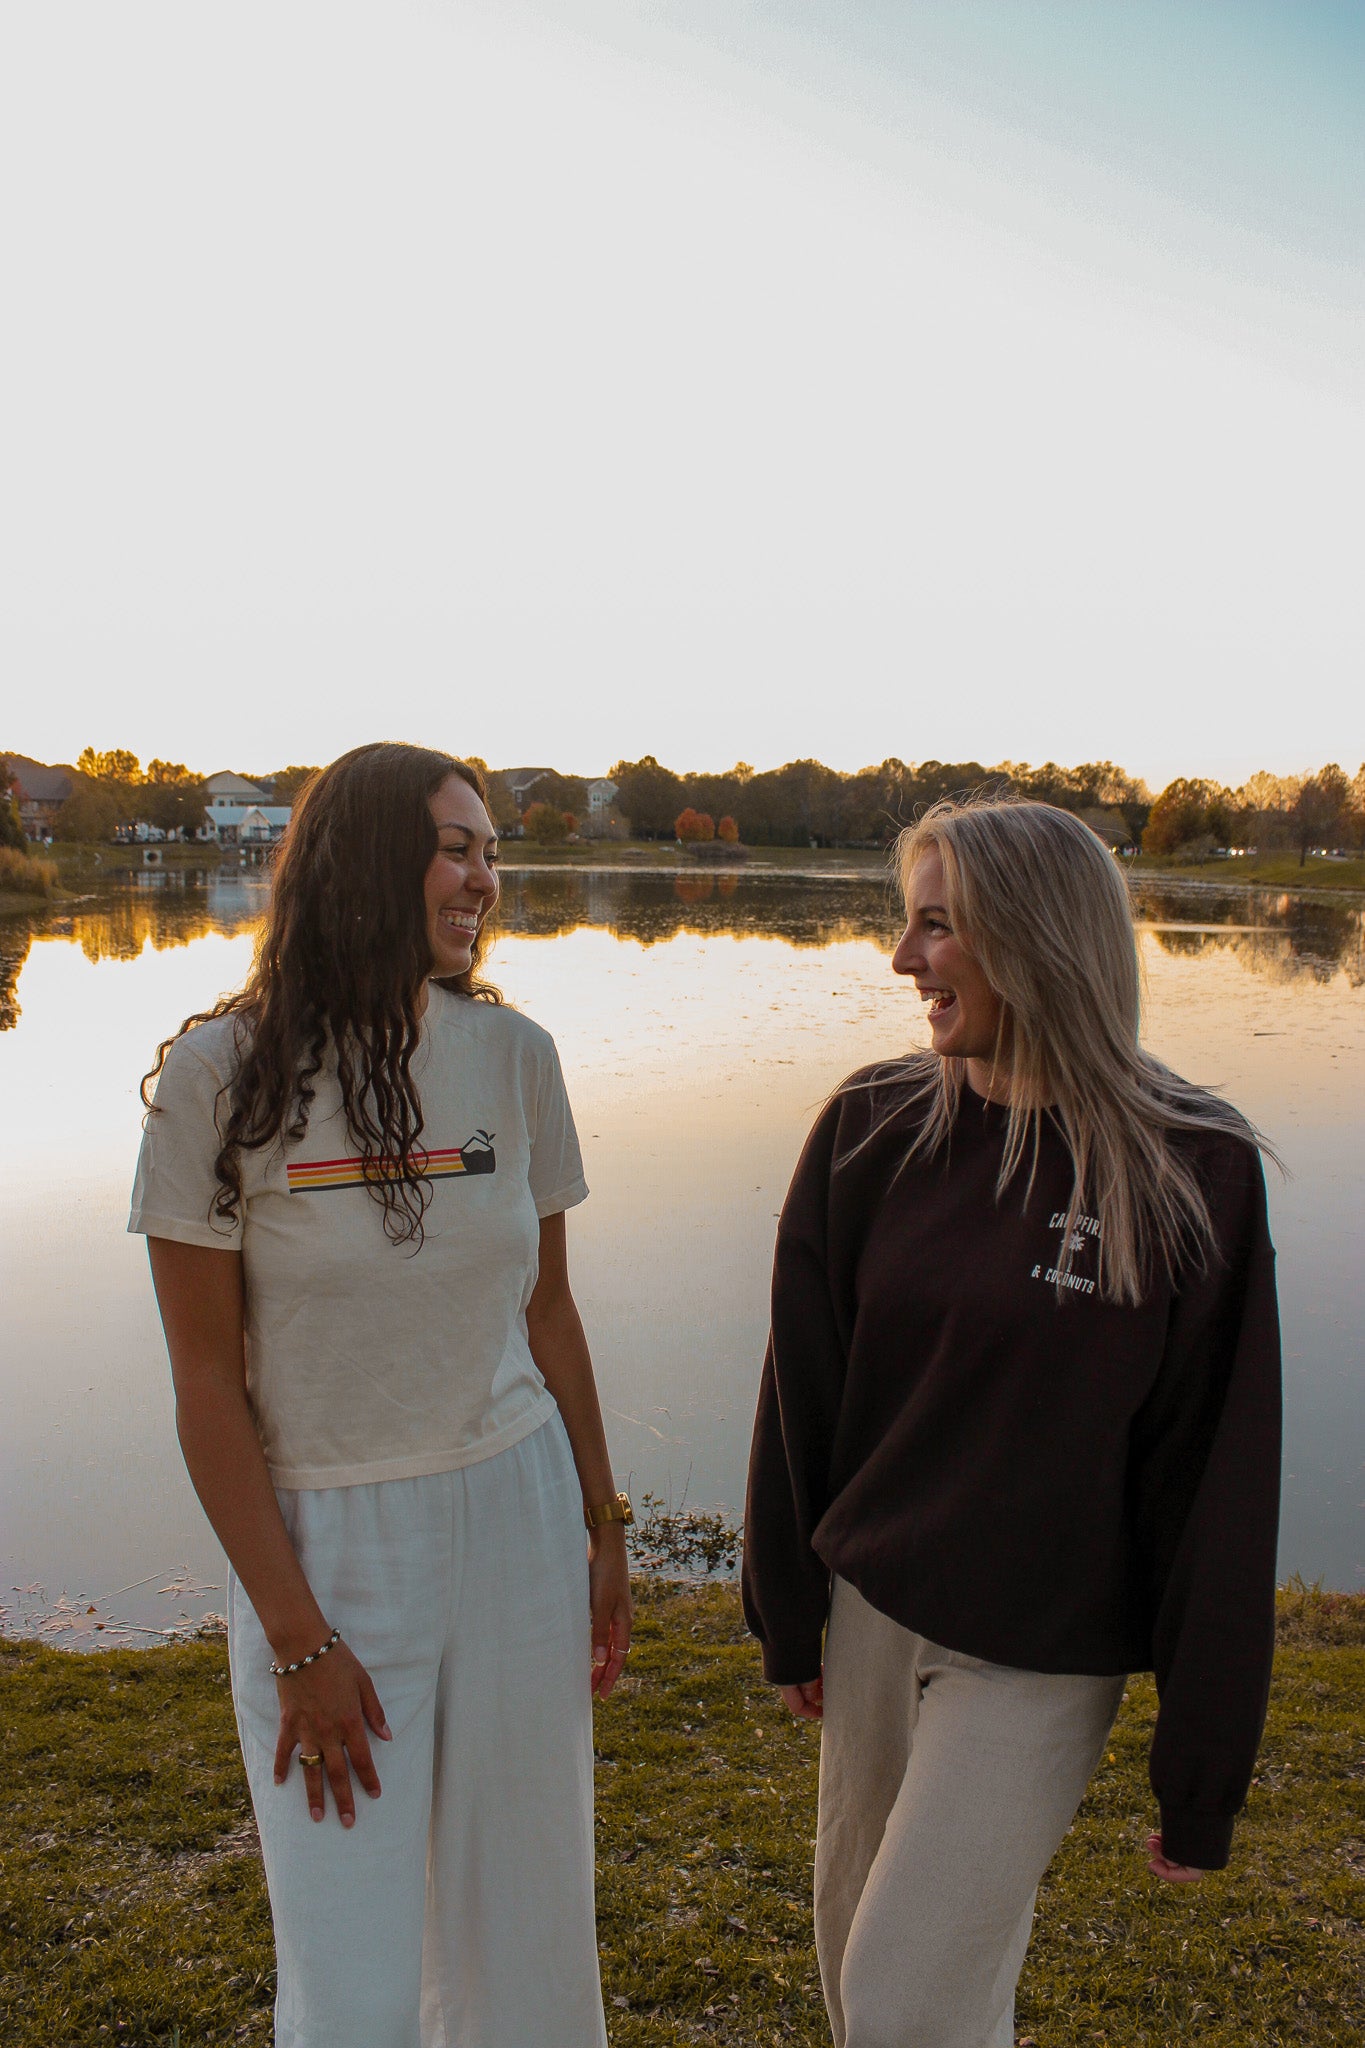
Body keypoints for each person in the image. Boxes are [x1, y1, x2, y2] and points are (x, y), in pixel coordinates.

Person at [742, 797, 1281, 2048]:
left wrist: (1201, 1764)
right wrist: (789, 1605)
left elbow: (1218, 1480)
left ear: (1035, 936)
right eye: (907, 922)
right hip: (875, 1614)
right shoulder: (871, 1128)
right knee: (863, 1967)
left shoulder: (1193, 1169)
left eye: (937, 926)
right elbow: (801, 1388)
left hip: (1040, 1654)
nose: (902, 958)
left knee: (902, 1996)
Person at [130, 743, 631, 2048]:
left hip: (517, 1512)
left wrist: (603, 1526)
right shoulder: (216, 1082)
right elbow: (204, 1387)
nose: (485, 878)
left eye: (492, 854)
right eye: (458, 848)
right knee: (351, 1979)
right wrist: (297, 1635)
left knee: (525, 1944)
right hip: (331, 1543)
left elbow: (548, 1313)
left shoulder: (514, 1057)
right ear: (365, 867)